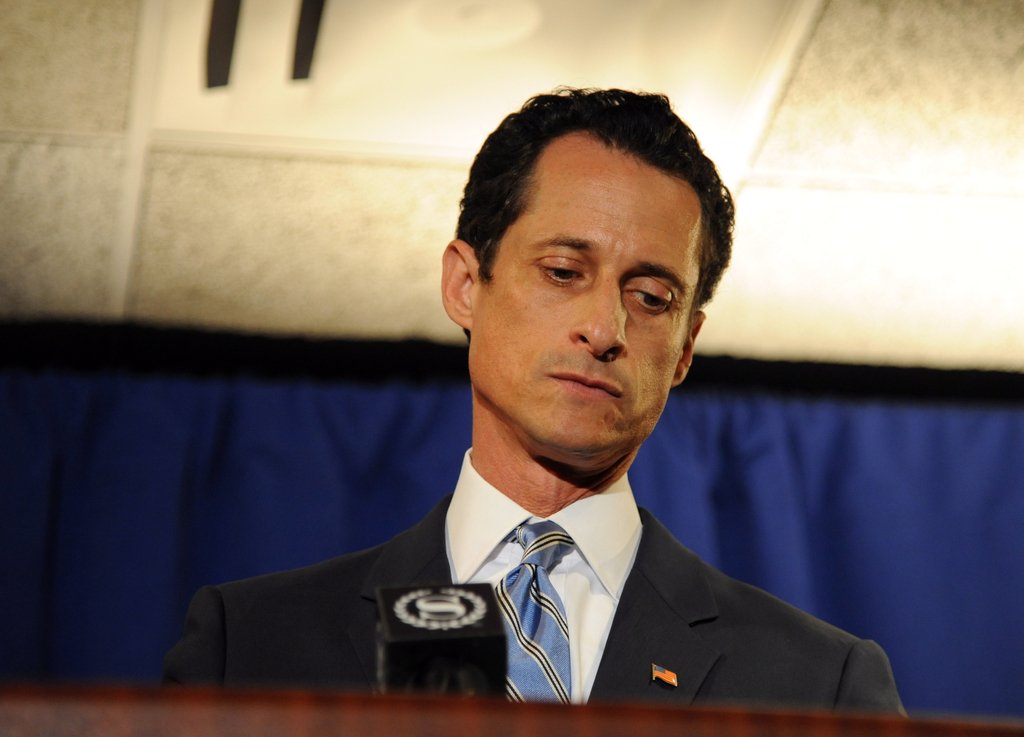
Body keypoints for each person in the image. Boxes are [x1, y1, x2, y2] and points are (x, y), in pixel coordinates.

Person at [164, 88, 903, 712]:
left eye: (650, 297)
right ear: (465, 285)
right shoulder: (253, 646)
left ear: (685, 348)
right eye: (562, 272)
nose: (604, 329)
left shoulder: (818, 685)